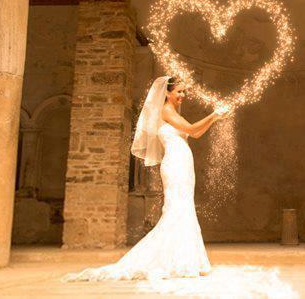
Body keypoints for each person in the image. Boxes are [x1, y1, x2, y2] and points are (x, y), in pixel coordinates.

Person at [63, 76, 230, 281]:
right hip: (175, 164)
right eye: (179, 91)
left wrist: (215, 119)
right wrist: (213, 114)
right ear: (167, 92)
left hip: (183, 163)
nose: (183, 95)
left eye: (184, 91)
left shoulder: (174, 112)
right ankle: (179, 261)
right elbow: (192, 129)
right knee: (177, 208)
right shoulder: (167, 111)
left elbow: (195, 134)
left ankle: (187, 259)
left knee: (184, 206)